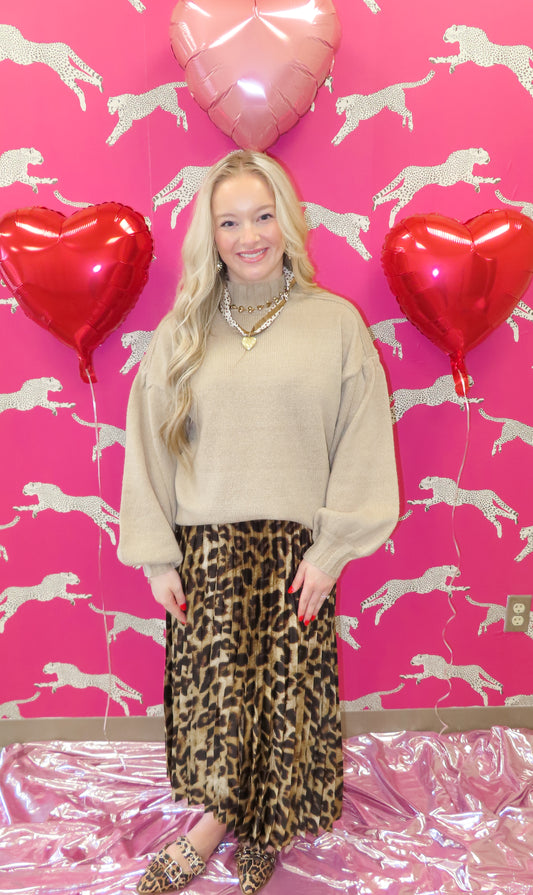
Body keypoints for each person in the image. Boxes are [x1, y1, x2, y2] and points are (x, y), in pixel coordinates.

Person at [118, 149, 399, 895]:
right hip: (206, 549)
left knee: (284, 702)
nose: (249, 236)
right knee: (219, 707)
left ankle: (258, 829)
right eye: (230, 222)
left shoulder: (334, 325)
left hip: (296, 553)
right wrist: (157, 555)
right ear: (209, 236)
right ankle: (216, 823)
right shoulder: (182, 331)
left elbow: (363, 440)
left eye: (263, 216)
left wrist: (332, 551)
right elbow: (147, 444)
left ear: (288, 220)